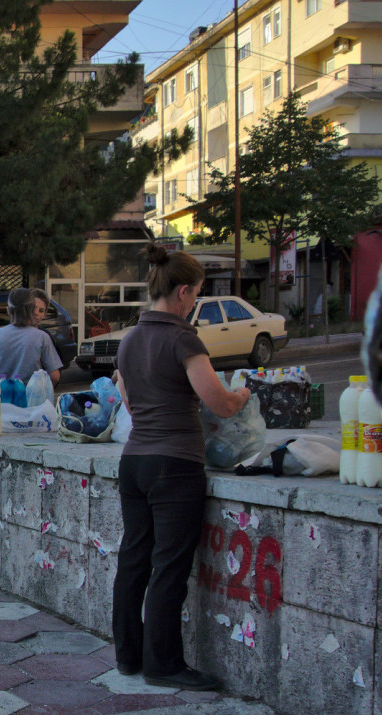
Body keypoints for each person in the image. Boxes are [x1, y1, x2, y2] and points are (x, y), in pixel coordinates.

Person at [111, 244, 251, 692]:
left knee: (133, 560)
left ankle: (128, 656)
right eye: (196, 296)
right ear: (184, 292)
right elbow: (220, 402)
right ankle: (164, 664)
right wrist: (242, 397)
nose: (194, 305)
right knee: (169, 567)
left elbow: (127, 400)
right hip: (175, 465)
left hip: (134, 461)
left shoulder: (129, 338)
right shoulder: (183, 338)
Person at [0, 287, 63, 388]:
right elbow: (55, 376)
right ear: (31, 310)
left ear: (8, 310)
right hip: (28, 398)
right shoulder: (42, 337)